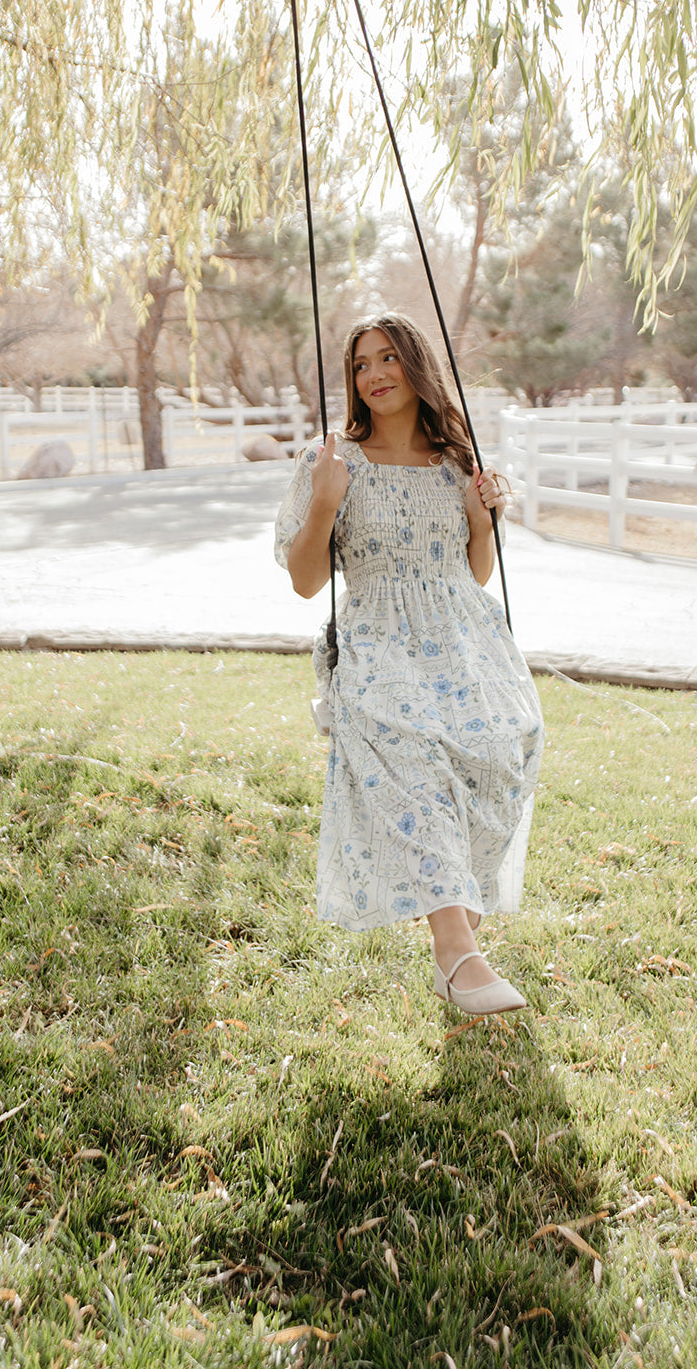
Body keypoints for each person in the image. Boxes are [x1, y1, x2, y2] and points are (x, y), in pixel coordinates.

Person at [274, 312, 543, 1014]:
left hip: (464, 637)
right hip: (379, 640)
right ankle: (455, 953)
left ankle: (463, 944)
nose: (374, 375)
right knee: (415, 757)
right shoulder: (330, 461)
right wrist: (325, 504)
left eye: (388, 358)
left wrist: (482, 517)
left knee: (503, 754)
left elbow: (474, 572)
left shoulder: (454, 461)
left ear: (415, 366)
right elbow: (305, 581)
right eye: (361, 364)